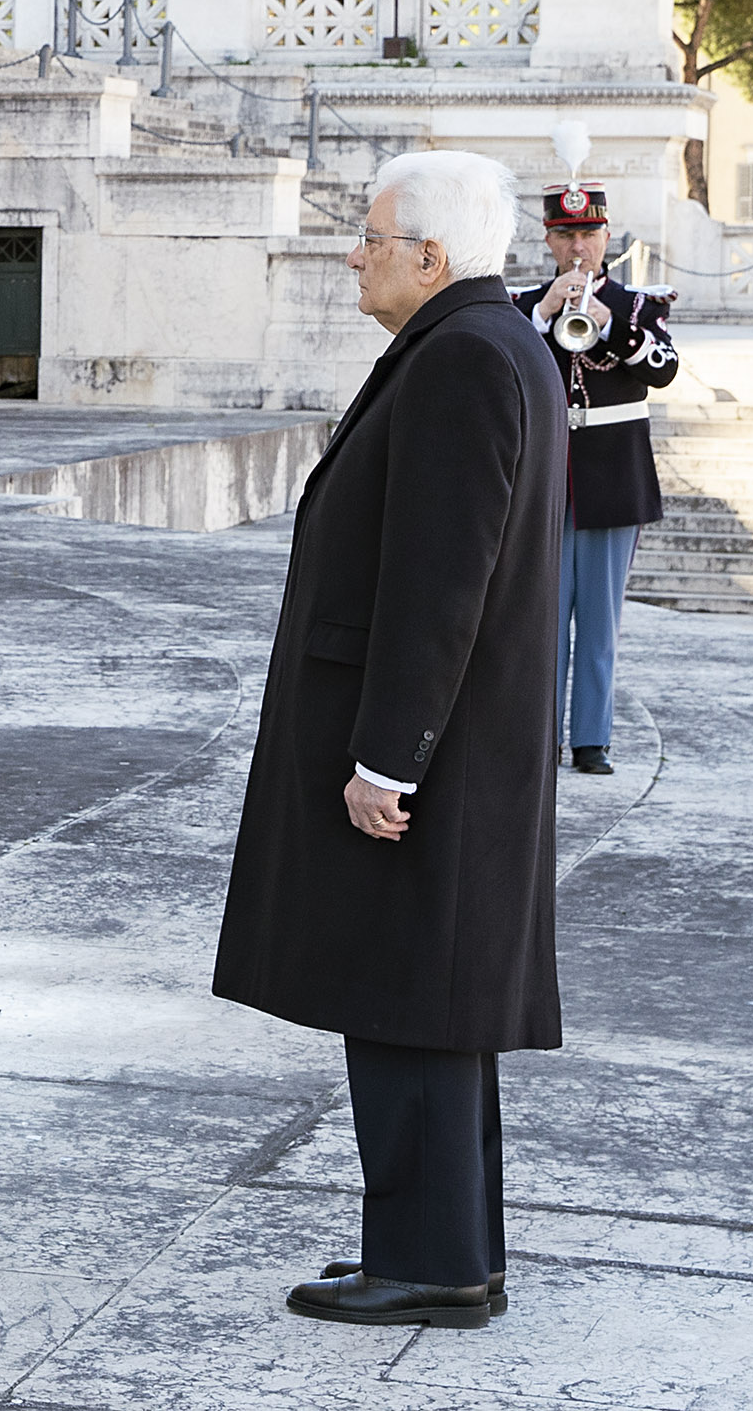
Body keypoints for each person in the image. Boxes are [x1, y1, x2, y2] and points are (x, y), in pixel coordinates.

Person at [213, 151, 564, 1330]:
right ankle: (450, 1245)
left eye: (368, 237)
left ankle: (427, 1262)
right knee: (432, 1004)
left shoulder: (464, 356)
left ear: (429, 254)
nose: (351, 255)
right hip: (460, 745)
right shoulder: (480, 340)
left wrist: (387, 756)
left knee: (411, 998)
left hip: (436, 754)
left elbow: (438, 579)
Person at [511, 178, 678, 774]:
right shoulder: (521, 308)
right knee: (542, 618)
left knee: (602, 619)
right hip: (546, 477)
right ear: (549, 241)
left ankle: (592, 740)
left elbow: (663, 371)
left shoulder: (639, 307)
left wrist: (609, 325)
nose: (578, 246)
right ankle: (540, 736)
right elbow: (498, 372)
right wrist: (541, 316)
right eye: (566, 235)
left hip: (615, 476)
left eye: (588, 233)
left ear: (607, 236)